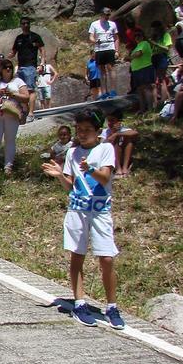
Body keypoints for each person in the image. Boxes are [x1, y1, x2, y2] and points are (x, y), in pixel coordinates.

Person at [42, 109, 125, 330]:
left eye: (87, 130)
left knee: (106, 258)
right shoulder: (73, 152)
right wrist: (60, 175)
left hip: (100, 210)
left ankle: (112, 306)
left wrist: (91, 168)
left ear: (98, 131)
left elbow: (106, 176)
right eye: (79, 130)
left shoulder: (105, 148)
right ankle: (79, 302)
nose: (82, 134)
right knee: (77, 255)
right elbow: (71, 187)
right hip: (77, 210)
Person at [0, 59, 30, 174]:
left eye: (10, 67)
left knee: (10, 140)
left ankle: (8, 167)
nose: (8, 69)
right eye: (5, 67)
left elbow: (26, 97)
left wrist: (13, 94)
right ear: (1, 69)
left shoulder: (18, 81)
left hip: (12, 114)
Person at [11, 17, 44, 122]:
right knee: (21, 91)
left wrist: (42, 63)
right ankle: (25, 111)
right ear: (20, 25)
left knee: (30, 90)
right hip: (20, 67)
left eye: (27, 23)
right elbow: (13, 52)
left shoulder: (35, 37)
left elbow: (42, 50)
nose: (25, 25)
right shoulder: (19, 38)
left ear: (29, 25)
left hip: (31, 66)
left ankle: (31, 113)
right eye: (23, 23)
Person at [88, 8, 120, 98]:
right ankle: (104, 91)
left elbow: (116, 38)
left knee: (111, 68)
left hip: (110, 47)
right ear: (101, 14)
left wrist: (117, 51)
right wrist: (95, 41)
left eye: (108, 15)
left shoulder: (112, 24)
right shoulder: (94, 24)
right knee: (102, 70)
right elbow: (91, 36)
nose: (107, 17)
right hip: (99, 49)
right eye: (106, 15)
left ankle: (113, 90)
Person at [99, 109, 138, 178]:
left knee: (128, 140)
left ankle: (125, 168)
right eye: (109, 121)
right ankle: (118, 169)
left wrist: (117, 134)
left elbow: (134, 133)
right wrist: (112, 135)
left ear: (118, 121)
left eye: (112, 120)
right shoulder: (105, 132)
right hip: (111, 158)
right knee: (114, 141)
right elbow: (102, 144)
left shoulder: (124, 130)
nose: (110, 123)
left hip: (123, 156)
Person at [129, 27, 155, 112]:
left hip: (144, 68)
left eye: (138, 35)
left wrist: (129, 57)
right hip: (137, 70)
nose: (137, 37)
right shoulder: (137, 46)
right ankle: (142, 108)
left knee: (147, 88)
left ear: (142, 36)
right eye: (135, 36)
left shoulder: (144, 43)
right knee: (140, 90)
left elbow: (139, 54)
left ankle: (150, 108)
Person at [149, 20, 172, 106]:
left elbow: (167, 48)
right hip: (154, 57)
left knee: (161, 79)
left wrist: (156, 44)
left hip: (162, 57)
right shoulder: (154, 37)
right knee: (154, 81)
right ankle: (157, 101)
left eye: (155, 29)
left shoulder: (166, 35)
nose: (154, 31)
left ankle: (163, 100)